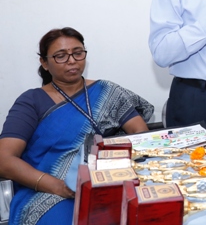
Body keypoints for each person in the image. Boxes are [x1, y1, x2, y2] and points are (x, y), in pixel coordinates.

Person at [0, 27, 153, 224]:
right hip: (48, 192)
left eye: (78, 53)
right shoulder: (31, 101)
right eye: (61, 56)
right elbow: (4, 160)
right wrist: (59, 187)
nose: (72, 60)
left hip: (111, 180)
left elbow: (140, 134)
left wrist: (121, 171)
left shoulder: (107, 91)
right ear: (44, 63)